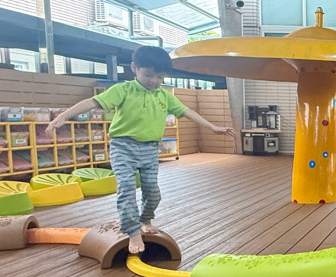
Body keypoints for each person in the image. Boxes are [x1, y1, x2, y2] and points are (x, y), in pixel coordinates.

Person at [45, 46, 232, 254]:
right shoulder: (123, 90)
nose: (154, 81)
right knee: (126, 188)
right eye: (149, 75)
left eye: (160, 77)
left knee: (153, 192)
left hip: (150, 149)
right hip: (123, 146)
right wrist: (63, 116)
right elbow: (92, 102)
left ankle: (145, 219)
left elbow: (187, 112)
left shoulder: (164, 95)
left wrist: (212, 127)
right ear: (134, 68)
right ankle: (133, 231)